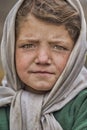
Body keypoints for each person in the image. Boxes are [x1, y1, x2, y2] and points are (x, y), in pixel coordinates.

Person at [0, 0, 87, 130]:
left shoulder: (82, 104)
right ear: (9, 49)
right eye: (28, 45)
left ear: (76, 55)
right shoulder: (3, 104)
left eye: (58, 47)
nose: (42, 59)